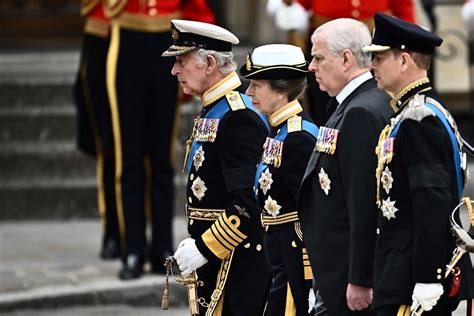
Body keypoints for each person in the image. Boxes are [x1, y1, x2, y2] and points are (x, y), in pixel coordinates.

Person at [363, 12, 474, 315]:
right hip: (400, 269)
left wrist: (428, 276)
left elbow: (432, 200)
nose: (372, 66)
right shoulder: (416, 111)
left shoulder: (419, 119)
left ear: (404, 61)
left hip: (410, 276)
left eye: (379, 58)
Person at [163, 20, 272, 315]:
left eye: (181, 61)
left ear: (209, 63)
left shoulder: (237, 117)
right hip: (219, 262)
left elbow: (249, 202)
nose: (175, 70)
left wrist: (205, 246)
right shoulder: (216, 108)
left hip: (237, 267)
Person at [104, 0, 215, 280]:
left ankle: (162, 247)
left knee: (161, 157)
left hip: (167, 41)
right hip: (128, 39)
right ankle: (133, 249)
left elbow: (195, 7)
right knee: (129, 157)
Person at [297, 18, 393, 315]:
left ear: (346, 59)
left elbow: (363, 201)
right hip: (335, 271)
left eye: (318, 57)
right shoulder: (356, 103)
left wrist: (359, 278)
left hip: (347, 278)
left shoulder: (360, 111)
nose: (311, 66)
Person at [240, 44, 318, 315]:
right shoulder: (279, 130)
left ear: (281, 90)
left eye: (257, 85)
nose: (248, 93)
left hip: (294, 264)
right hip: (279, 259)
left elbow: (311, 214)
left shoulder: (298, 138)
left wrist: (310, 282)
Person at [267, 0, 415, 128]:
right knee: (323, 105)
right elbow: (298, 6)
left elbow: (404, 10)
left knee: (374, 97)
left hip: (372, 45)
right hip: (327, 45)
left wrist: (408, 44)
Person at [73, 0, 121, 260]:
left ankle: (145, 234)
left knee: (151, 151)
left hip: (151, 31)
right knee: (108, 144)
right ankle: (113, 230)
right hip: (103, 30)